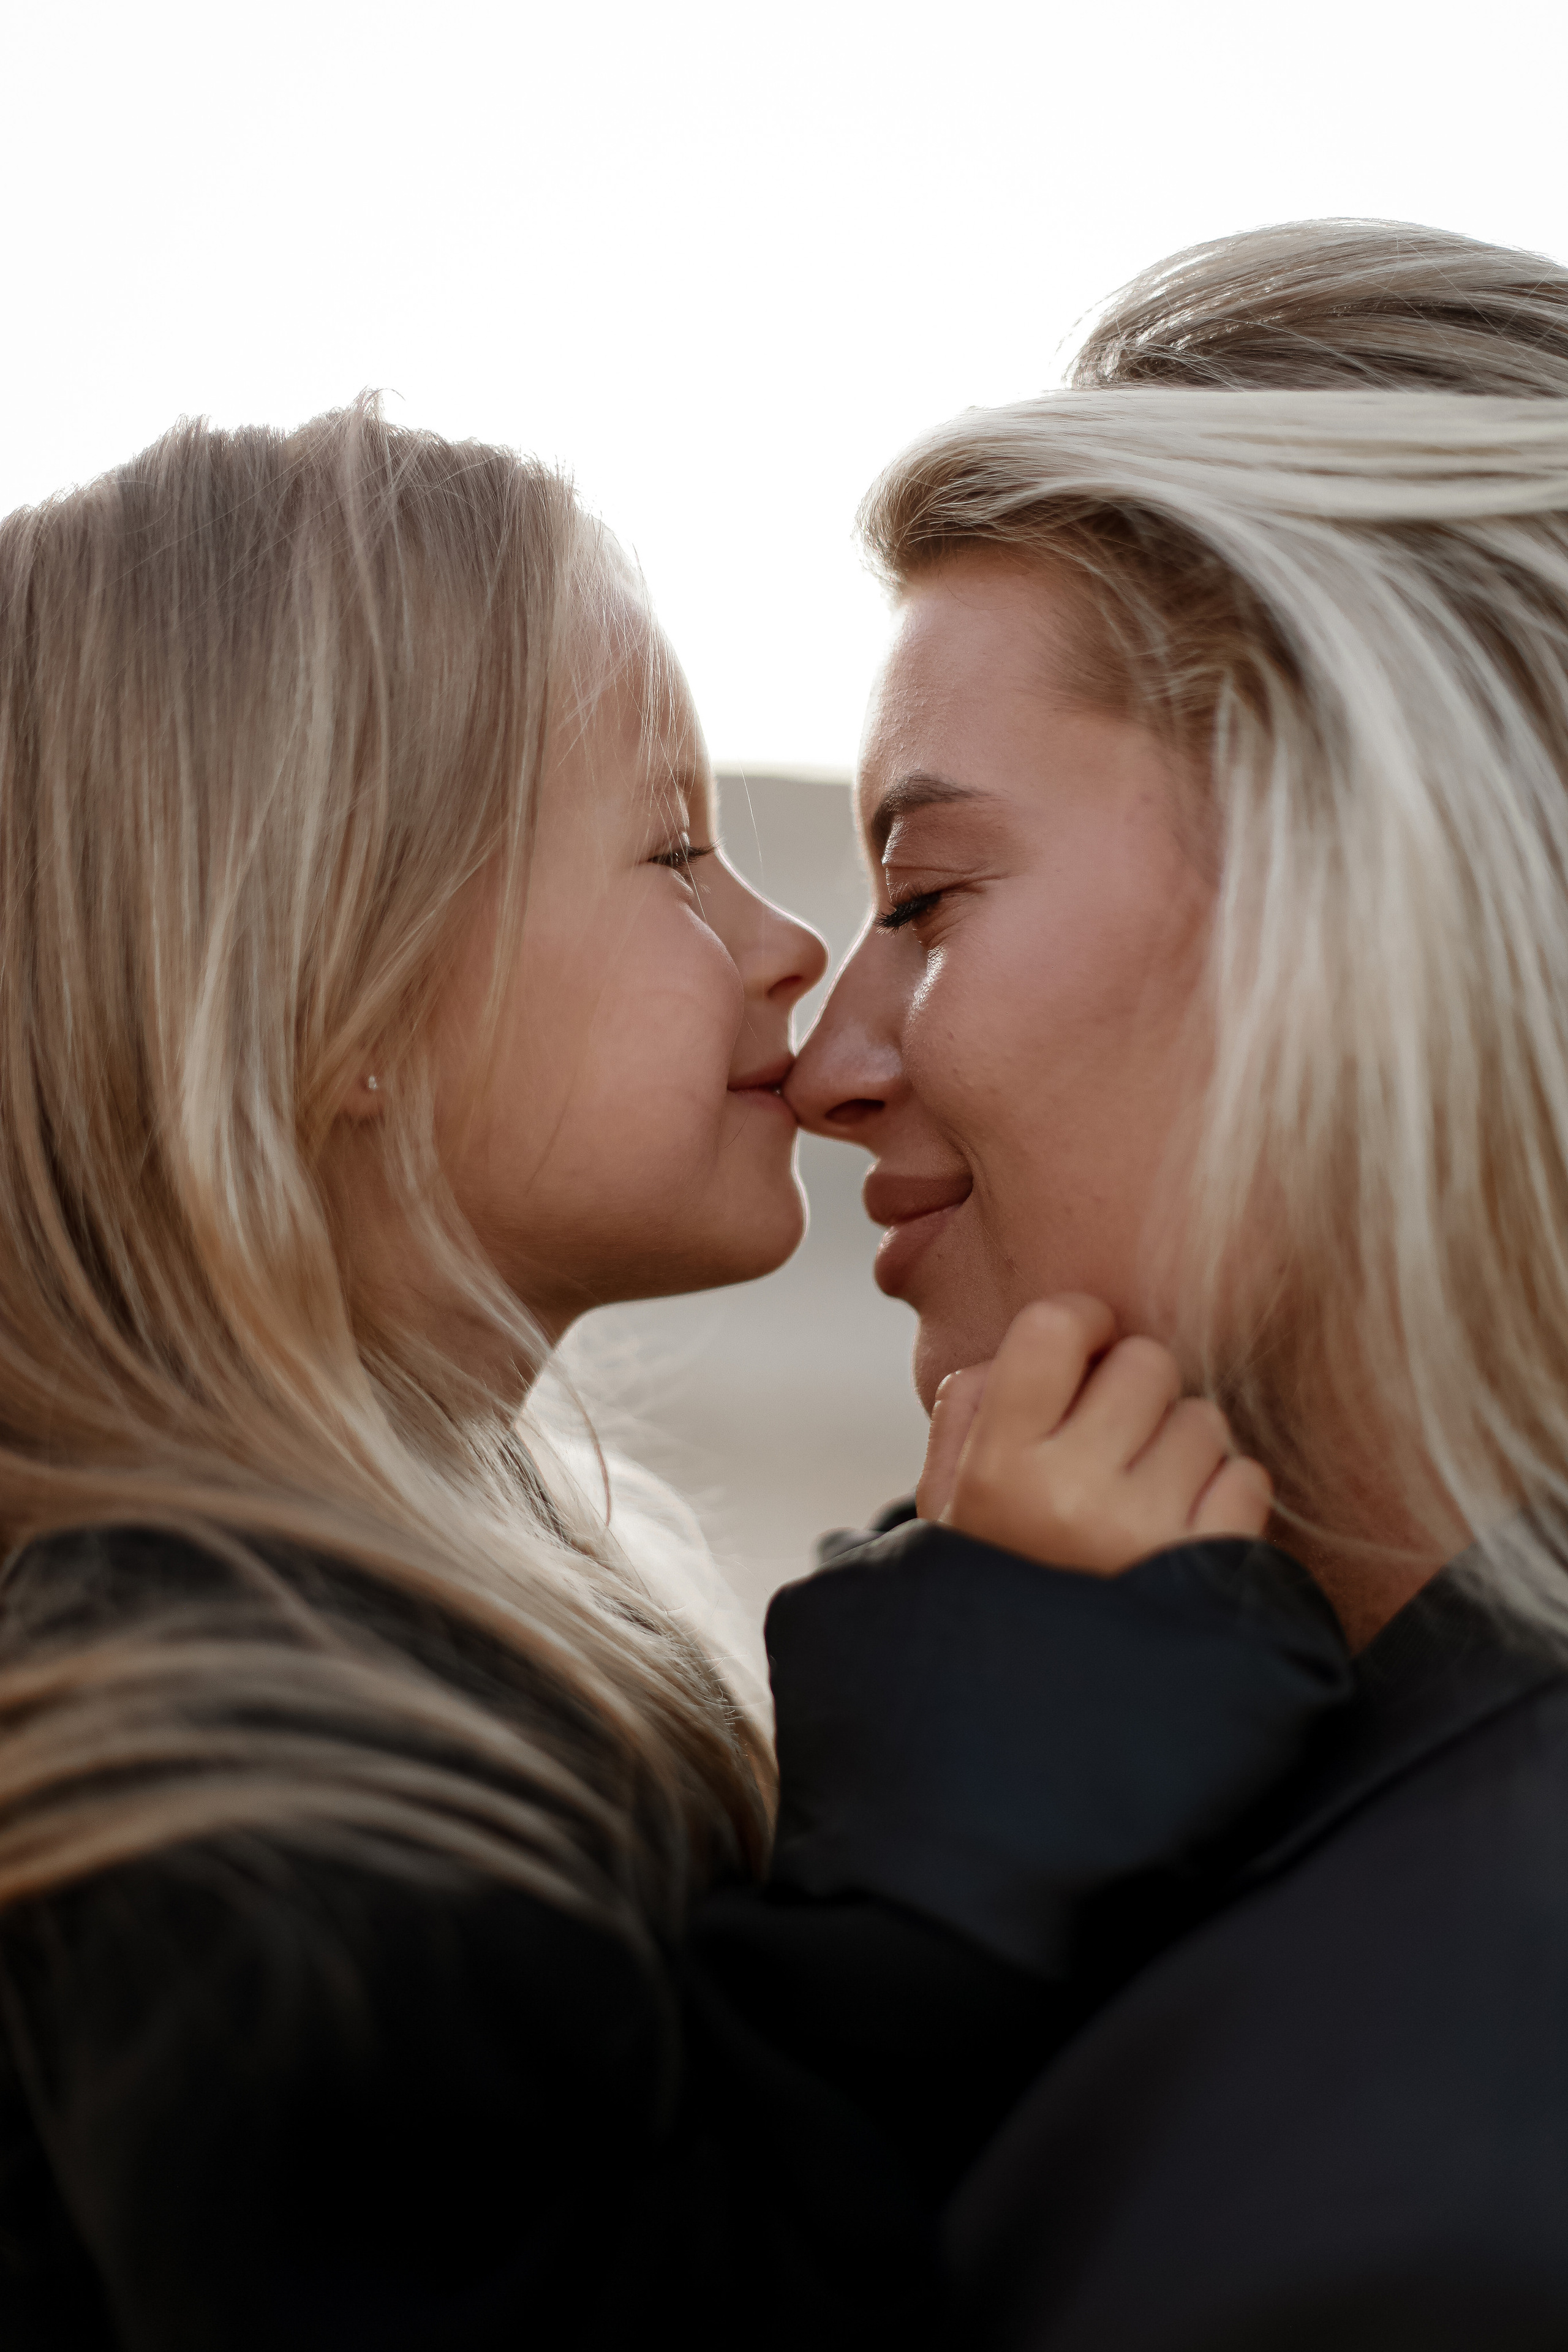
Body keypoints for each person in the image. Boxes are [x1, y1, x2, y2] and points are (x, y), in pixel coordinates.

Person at [0, 404, 1345, 2349]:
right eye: (673, 851)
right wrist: (983, 1790)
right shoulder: (191, 1726)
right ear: (334, 980)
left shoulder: (329, 1642)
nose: (790, 942)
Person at [786, 217, 1568, 2346]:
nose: (826, 1063)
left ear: (1371, 877)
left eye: (928, 895)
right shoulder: (1184, 1790)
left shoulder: (1457, 2170)